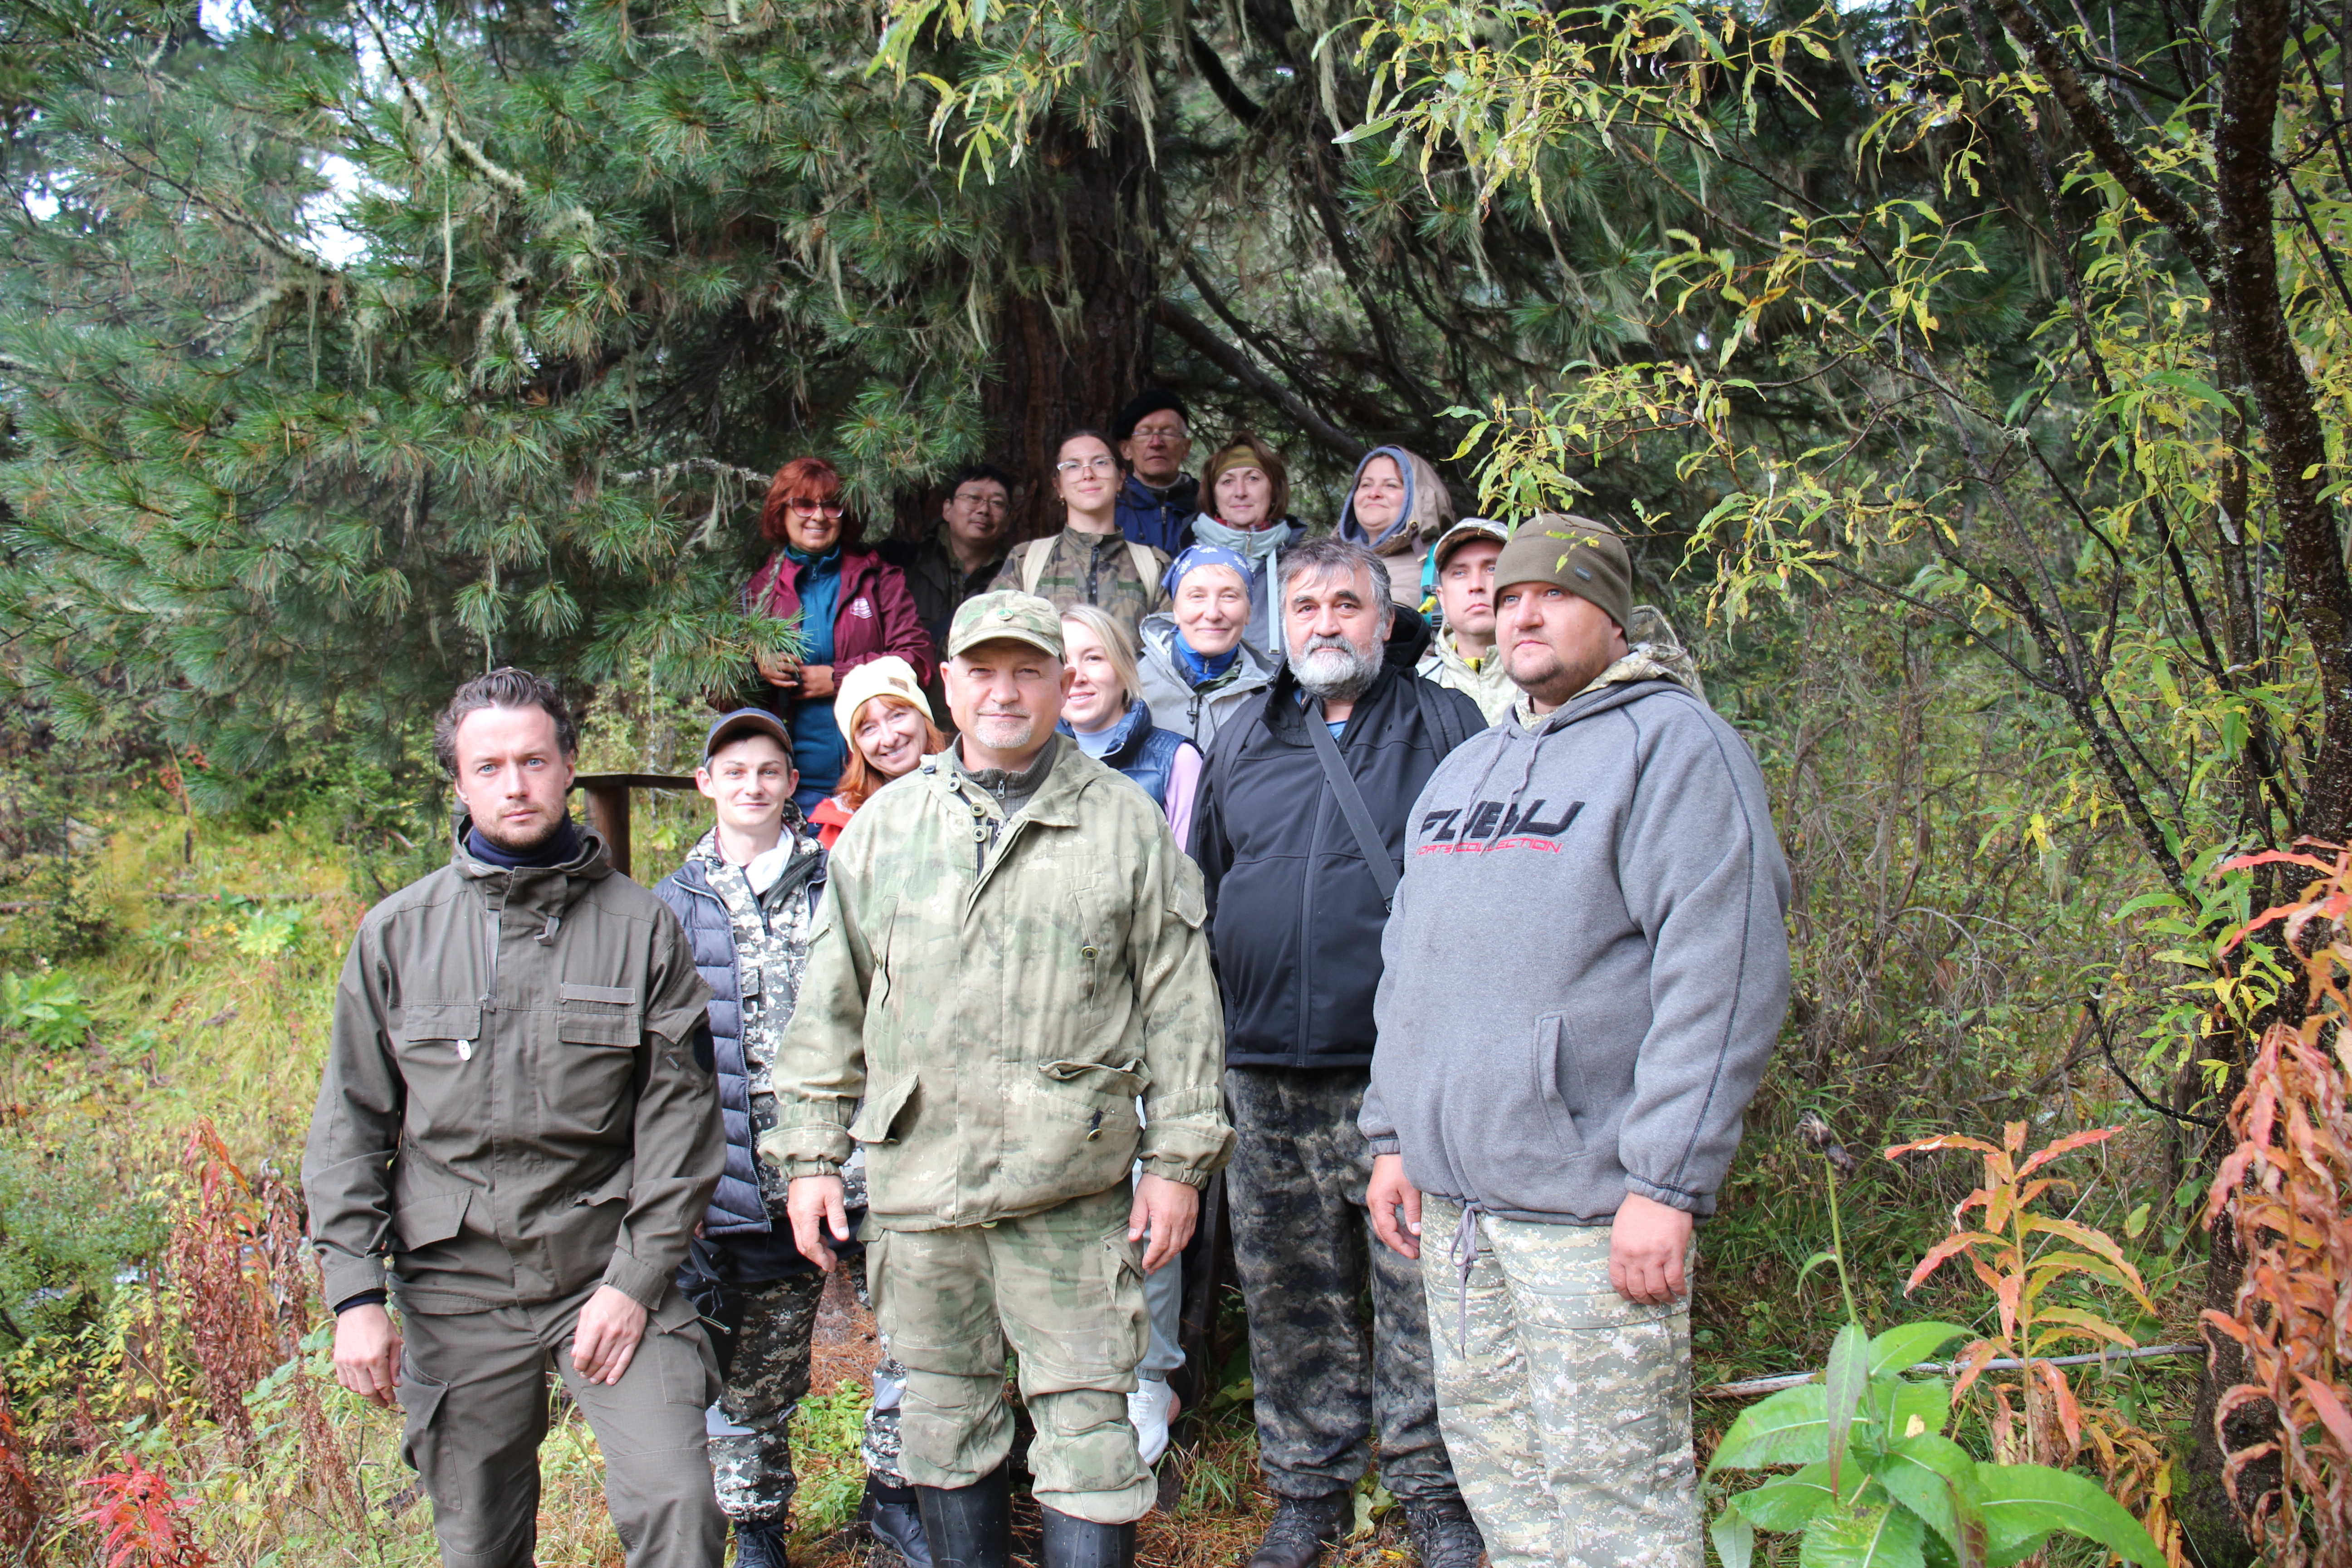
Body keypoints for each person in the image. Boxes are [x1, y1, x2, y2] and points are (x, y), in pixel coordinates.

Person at [769, 591, 1235, 1568]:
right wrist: (810, 1155)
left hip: (1074, 1192)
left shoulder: (1123, 824)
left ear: (1064, 685)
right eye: (984, 671)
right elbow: (831, 1007)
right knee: (943, 1419)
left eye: (1029, 670)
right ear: (949, 685)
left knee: (1090, 1435)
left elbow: (1182, 1003)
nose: (1006, 692)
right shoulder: (887, 828)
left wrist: (1180, 1162)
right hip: (923, 1187)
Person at [1362, 515, 1790, 1568]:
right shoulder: (1468, 770)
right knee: (1505, 1485)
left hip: (1590, 1212)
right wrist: (1388, 1133)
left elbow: (1723, 968)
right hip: (1458, 1213)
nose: (1523, 612)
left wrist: (1666, 1179)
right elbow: (1408, 962)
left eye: (1551, 593)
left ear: (1610, 612)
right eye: (1506, 597)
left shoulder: (1674, 746)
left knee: (1614, 1507)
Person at [304, 668, 725, 1568]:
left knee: (681, 1503)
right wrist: (353, 1296)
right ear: (459, 782)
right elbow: (349, 1126)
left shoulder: (640, 928)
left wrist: (635, 1277)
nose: (515, 784)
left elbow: (680, 1128)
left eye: (534, 760)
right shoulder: (398, 934)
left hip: (601, 1260)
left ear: (568, 766)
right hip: (456, 1278)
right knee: (477, 1536)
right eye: (489, 766)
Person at [1189, 539, 1487, 1568]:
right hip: (1263, 1068)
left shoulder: (1445, 723)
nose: (1325, 621)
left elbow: (1478, 895)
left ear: (1385, 617)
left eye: (1347, 603)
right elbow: (1211, 878)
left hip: (1397, 1073)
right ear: (1283, 621)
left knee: (1416, 1289)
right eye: (1306, 603)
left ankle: (1429, 1489)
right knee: (1287, 1291)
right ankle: (1308, 1486)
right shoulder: (1242, 733)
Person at [655, 710, 926, 1568]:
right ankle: (759, 1528)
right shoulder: (670, 905)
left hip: (860, 1163)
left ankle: (895, 1499)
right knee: (752, 1374)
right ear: (706, 784)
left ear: (789, 784)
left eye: (769, 771)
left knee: (915, 1341)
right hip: (745, 1180)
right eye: (733, 772)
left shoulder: (837, 881)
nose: (751, 786)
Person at [1054, 602, 1205, 1467]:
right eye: (1059, 660)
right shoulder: (1023, 762)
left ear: (1120, 666)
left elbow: (1179, 897)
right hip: (1049, 1019)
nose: (1076, 675)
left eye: (1090, 658)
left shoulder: (1169, 760)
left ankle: (1151, 1374)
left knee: (1150, 1192)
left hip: (1138, 1008)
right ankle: (1075, 1374)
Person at [742, 456, 936, 812]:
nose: (818, 517)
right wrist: (757, 667)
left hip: (878, 775)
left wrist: (839, 678)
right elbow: (718, 688)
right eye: (803, 504)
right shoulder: (757, 592)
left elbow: (918, 658)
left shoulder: (878, 579)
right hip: (792, 784)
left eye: (832, 506)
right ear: (781, 512)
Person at [995, 429, 1171, 641]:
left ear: (1121, 478)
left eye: (1101, 463)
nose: (1088, 474)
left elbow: (1170, 655)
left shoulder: (1154, 566)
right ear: (1058, 486)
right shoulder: (1025, 562)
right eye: (1073, 466)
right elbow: (994, 638)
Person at [1133, 545, 1282, 754]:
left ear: (1248, 611)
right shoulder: (1131, 683)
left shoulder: (1272, 697)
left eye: (1229, 596)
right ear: (1175, 610)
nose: (1213, 614)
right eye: (1197, 596)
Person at [881, 464, 1016, 668]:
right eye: (974, 498)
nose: (984, 510)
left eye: (997, 503)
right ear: (947, 508)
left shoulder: (1016, 575)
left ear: (1007, 522)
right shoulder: (903, 564)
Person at [809, 657, 946, 851]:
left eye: (897, 716)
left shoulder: (972, 792)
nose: (889, 739)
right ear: (856, 746)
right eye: (869, 729)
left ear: (923, 717)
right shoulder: (844, 822)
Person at [1186, 434, 1306, 650]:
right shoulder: (1183, 558)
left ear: (1274, 490)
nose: (1240, 492)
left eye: (1253, 479)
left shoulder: (1303, 562)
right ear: (1213, 495)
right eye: (1228, 481)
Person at [1416, 518, 1514, 725]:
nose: (1476, 585)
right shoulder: (1416, 690)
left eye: (1492, 569)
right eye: (1460, 573)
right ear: (1441, 598)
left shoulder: (1554, 678)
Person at [1333, 446, 1454, 612]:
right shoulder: (1323, 563)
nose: (1374, 493)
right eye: (1366, 484)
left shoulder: (1446, 565)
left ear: (1420, 498)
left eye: (1391, 485)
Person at [1112, 390, 1200, 554]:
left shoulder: (1209, 506)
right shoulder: (1109, 508)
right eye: (1145, 433)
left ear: (1186, 448)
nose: (1156, 443)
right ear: (1126, 449)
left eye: (1168, 432)